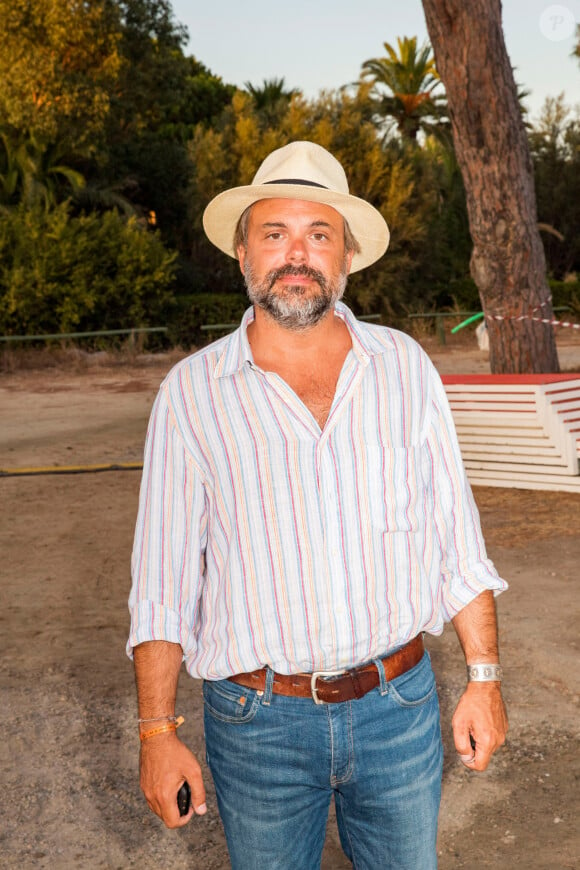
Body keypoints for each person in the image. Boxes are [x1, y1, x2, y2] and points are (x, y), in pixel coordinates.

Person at [127, 141, 508, 869]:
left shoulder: (404, 369)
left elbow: (456, 542)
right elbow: (163, 585)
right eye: (275, 234)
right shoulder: (191, 393)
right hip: (256, 724)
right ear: (242, 252)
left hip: (399, 709)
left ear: (347, 257)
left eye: (318, 236)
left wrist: (484, 679)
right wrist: (156, 732)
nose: (296, 254)